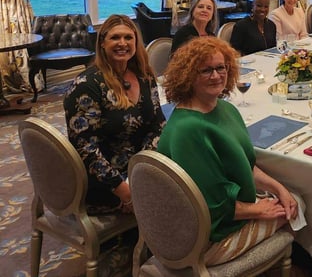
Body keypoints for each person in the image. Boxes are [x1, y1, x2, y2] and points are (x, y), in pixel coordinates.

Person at [158, 37, 299, 264]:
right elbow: (208, 206)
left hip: (227, 209)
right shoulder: (189, 129)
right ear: (188, 75)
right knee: (296, 209)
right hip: (205, 238)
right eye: (205, 70)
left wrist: (279, 188)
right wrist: (257, 210)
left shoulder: (225, 108)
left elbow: (245, 165)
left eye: (220, 67)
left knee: (290, 198)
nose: (216, 76)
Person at [63, 14, 165, 214]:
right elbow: (85, 149)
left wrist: (145, 166)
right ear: (102, 43)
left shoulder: (144, 76)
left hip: (139, 169)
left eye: (128, 38)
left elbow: (158, 124)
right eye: (115, 38)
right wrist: (124, 190)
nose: (122, 43)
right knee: (175, 204)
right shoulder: (87, 85)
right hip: (104, 181)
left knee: (191, 178)